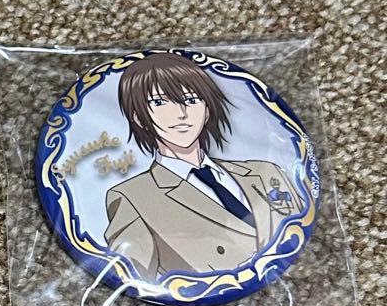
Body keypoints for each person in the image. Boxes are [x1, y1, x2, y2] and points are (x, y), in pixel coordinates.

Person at [104, 54, 297, 280]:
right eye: (160, 102)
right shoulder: (133, 197)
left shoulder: (265, 172)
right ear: (139, 117)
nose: (181, 113)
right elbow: (129, 276)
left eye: (192, 99)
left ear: (207, 109)